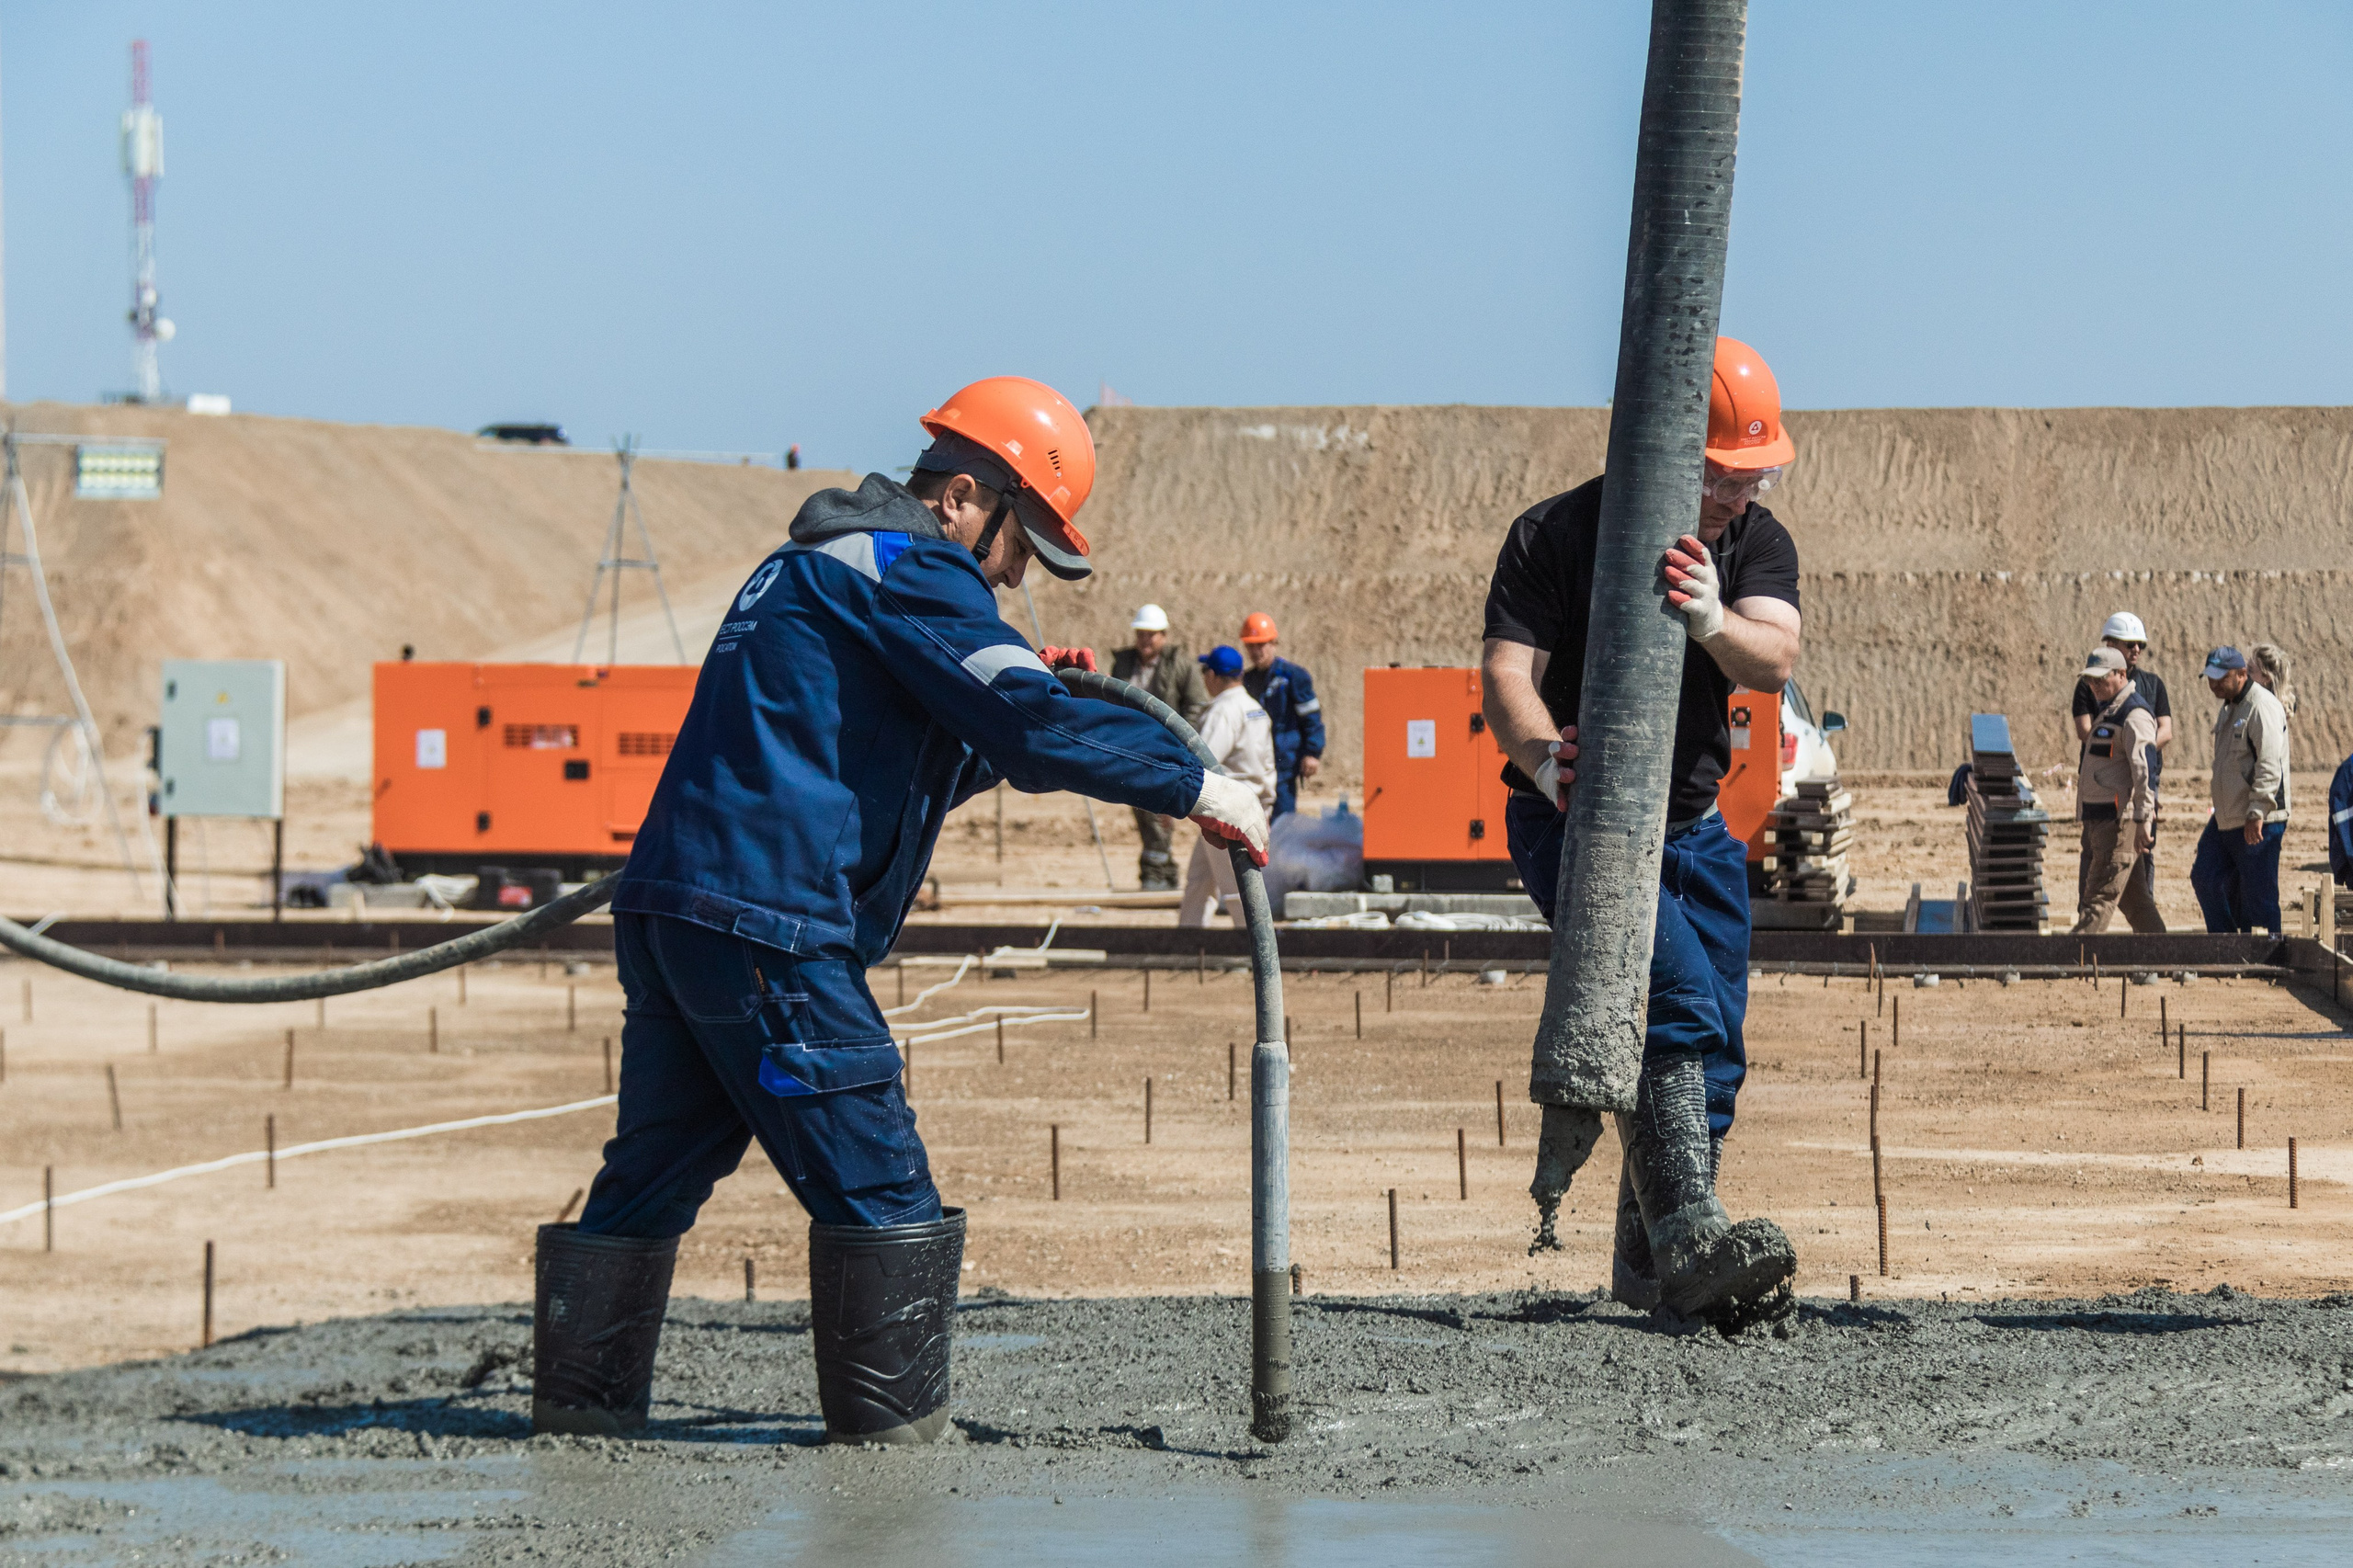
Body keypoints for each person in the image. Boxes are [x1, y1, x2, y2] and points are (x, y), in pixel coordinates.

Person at [532, 378, 1269, 1445]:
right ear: (966, 498)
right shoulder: (912, 563)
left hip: (679, 914)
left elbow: (904, 752)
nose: (1017, 576)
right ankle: (891, 1483)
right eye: (1021, 547)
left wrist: (1000, 693)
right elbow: (1024, 727)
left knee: (651, 1173)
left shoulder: (805, 567)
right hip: (769, 924)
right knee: (884, 1190)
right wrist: (1195, 785)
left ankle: (579, 1431)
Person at [1481, 335, 1802, 1324]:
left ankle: (1650, 1250)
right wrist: (1544, 759)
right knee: (1676, 1000)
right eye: (1715, 473)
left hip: (1696, 829)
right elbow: (1504, 674)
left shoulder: (1755, 543)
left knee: (1721, 1044)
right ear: (1653, 448)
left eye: (1749, 475)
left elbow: (1773, 657)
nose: (1732, 495)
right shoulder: (1554, 534)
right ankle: (1690, 1234)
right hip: (1570, 824)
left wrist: (1710, 618)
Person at [2070, 612, 2173, 906]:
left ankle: (2140, 938)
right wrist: (2129, 747)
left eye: (2139, 644)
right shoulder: (2090, 681)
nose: (2136, 650)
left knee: (2141, 857)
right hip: (2103, 788)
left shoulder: (2152, 685)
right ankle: (2087, 923)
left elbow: (2165, 730)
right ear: (2111, 643)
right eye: (2130, 644)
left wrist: (2137, 750)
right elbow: (2086, 732)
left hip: (2142, 783)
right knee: (2094, 856)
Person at [2189, 645, 2290, 935]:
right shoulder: (2230, 707)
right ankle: (2227, 944)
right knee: (2206, 877)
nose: (2214, 684)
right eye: (2210, 677)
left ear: (2242, 674)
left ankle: (2267, 955)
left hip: (2259, 818)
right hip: (2228, 815)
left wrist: (2257, 812)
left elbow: (2269, 765)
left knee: (2259, 896)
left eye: (2221, 678)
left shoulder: (2262, 706)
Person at [1110, 605, 1211, 890]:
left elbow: (1196, 704)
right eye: (1141, 634)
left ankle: (1156, 872)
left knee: (1160, 809)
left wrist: (1178, 733)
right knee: (1140, 807)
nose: (1145, 640)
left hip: (1166, 748)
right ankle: (1162, 870)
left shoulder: (1181, 665)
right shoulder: (1124, 664)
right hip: (1131, 746)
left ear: (1164, 636)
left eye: (1151, 635)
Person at [1179, 644, 1277, 926]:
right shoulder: (1254, 709)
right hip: (1249, 807)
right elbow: (1269, 765)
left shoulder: (1224, 711)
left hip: (1227, 813)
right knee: (1200, 881)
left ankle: (1252, 957)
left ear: (1212, 675)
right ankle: (1187, 942)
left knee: (1237, 891)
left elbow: (1203, 760)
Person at [1238, 614, 1324, 818]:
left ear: (1274, 643)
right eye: (1251, 646)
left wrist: (1312, 752)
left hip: (1284, 761)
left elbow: (1311, 717)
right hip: (1254, 762)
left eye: (1261, 645)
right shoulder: (1246, 681)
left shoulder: (1293, 677)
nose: (1256, 651)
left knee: (1282, 820)